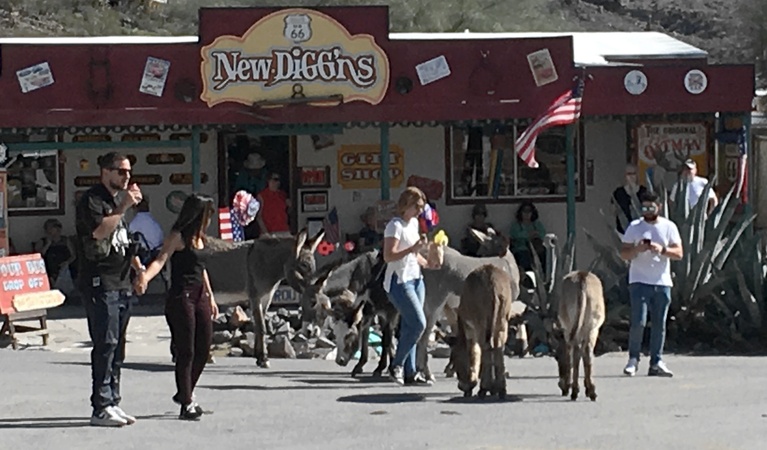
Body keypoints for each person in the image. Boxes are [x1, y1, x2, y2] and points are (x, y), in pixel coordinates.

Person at [134, 193, 219, 421]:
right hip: (182, 296)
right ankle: (187, 402)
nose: (209, 220)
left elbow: (202, 268)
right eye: (207, 215)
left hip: (200, 293)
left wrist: (210, 296)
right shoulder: (177, 237)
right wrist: (145, 278)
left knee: (204, 347)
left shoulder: (202, 238)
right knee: (186, 350)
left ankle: (185, 392)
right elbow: (161, 260)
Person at [75, 152, 143, 427]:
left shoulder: (117, 201)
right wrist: (123, 206)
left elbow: (122, 238)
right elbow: (98, 232)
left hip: (123, 279)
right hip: (100, 280)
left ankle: (113, 400)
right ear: (105, 172)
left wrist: (139, 270)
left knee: (118, 347)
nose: (126, 177)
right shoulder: (91, 200)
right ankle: (100, 406)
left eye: (128, 172)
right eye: (121, 172)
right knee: (105, 343)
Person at [619, 191, 683, 378]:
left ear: (659, 207)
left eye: (651, 207)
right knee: (638, 321)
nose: (647, 211)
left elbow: (679, 253)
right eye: (644, 207)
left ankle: (656, 361)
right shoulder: (634, 227)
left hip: (662, 282)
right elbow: (623, 253)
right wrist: (637, 249)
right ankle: (633, 359)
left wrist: (662, 250)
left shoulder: (669, 226)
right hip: (639, 281)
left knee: (659, 324)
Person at [382, 186, 434, 386]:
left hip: (416, 278)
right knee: (419, 324)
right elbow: (389, 255)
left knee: (411, 326)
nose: (419, 211)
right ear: (406, 205)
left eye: (421, 207)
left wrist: (426, 262)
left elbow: (414, 254)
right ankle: (396, 364)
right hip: (399, 280)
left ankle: (411, 372)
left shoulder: (413, 224)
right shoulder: (394, 226)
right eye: (416, 207)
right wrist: (412, 248)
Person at [37, 218, 77, 287]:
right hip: (49, 268)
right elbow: (38, 257)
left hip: (64, 266)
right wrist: (47, 244)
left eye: (51, 228)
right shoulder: (42, 241)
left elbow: (73, 255)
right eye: (47, 228)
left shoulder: (66, 240)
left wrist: (67, 262)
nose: (49, 230)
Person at [509, 201, 546, 271]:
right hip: (521, 249)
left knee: (544, 254)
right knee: (524, 256)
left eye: (529, 211)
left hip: (536, 249)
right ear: (520, 212)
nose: (527, 214)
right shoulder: (516, 225)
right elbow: (514, 235)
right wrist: (528, 235)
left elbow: (542, 233)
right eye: (524, 211)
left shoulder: (537, 224)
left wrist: (535, 235)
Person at [611, 164, 648, 234]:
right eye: (629, 174)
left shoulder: (644, 192)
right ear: (625, 176)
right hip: (623, 231)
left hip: (642, 231)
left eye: (633, 174)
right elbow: (613, 211)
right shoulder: (618, 193)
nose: (631, 176)